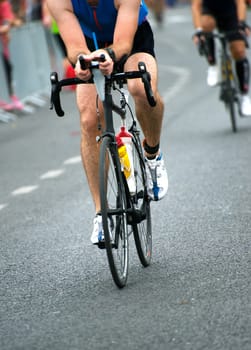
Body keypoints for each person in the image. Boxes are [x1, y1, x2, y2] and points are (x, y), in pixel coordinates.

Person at [46, 0, 168, 247]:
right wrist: (80, 59)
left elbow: (122, 43)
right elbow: (73, 45)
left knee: (141, 89)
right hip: (89, 45)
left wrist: (111, 54)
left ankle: (153, 155)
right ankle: (101, 214)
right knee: (90, 118)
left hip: (132, 40)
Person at [191, 0, 251, 116]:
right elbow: (195, 6)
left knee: (239, 50)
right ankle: (213, 65)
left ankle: (244, 96)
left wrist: (242, 22)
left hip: (230, 14)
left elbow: (241, 3)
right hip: (209, 12)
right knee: (206, 25)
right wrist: (198, 30)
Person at [0, 0, 24, 111]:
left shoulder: (4, 4)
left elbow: (8, 22)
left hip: (3, 46)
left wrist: (10, 24)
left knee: (7, 70)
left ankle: (10, 97)